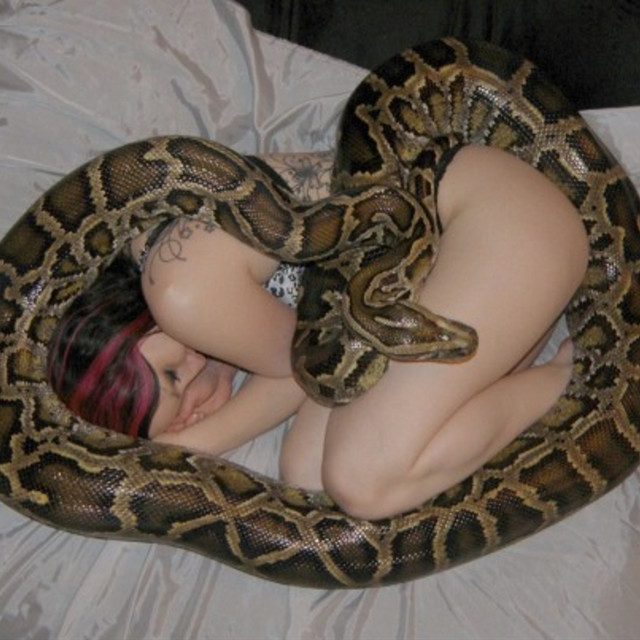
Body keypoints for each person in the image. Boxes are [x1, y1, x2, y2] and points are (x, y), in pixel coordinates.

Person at [48, 144, 588, 520]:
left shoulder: (178, 293)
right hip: (442, 269)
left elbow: (305, 371)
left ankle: (578, 378)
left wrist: (185, 445)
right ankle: (508, 356)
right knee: (306, 473)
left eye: (171, 375)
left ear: (128, 330)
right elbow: (319, 367)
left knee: (363, 480)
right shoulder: (158, 265)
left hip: (492, 217)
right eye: (185, 409)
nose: (196, 386)